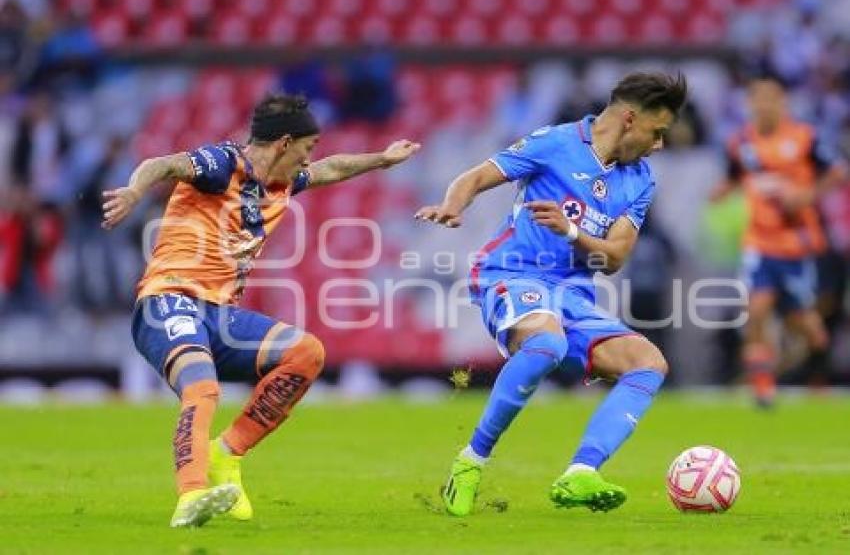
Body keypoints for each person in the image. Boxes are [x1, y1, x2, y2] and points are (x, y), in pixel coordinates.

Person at [102, 94, 419, 527]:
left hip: (220, 316)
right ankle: (191, 494)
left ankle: (226, 453)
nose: (311, 158)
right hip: (168, 300)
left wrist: (382, 159)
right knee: (202, 389)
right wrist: (135, 190)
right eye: (307, 148)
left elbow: (333, 169)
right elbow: (164, 163)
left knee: (306, 353)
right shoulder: (222, 165)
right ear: (285, 142)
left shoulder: (282, 182)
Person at [416, 72, 687, 516]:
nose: (658, 145)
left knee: (649, 363)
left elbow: (615, 256)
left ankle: (581, 471)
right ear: (629, 119)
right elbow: (476, 177)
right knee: (547, 342)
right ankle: (471, 461)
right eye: (656, 133)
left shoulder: (640, 179)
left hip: (573, 294)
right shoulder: (555, 142)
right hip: (511, 273)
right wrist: (452, 206)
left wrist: (571, 230)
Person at [711, 77, 848, 407]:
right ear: (750, 105)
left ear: (783, 103)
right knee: (756, 310)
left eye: (771, 99)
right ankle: (763, 387)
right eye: (758, 100)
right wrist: (719, 195)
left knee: (808, 327)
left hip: (797, 245)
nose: (764, 106)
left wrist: (807, 195)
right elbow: (733, 178)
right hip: (759, 243)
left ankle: (819, 378)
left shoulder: (804, 138)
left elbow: (838, 172)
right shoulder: (740, 143)